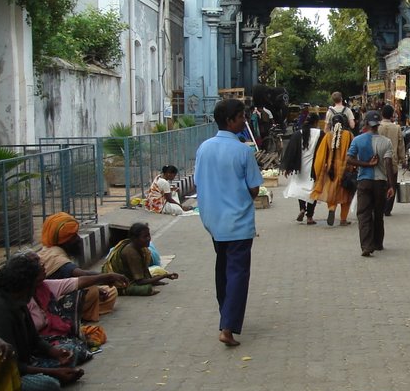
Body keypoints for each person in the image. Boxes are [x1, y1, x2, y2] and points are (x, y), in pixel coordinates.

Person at [195, 98, 264, 347]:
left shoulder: (204, 148)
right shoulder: (243, 150)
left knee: (223, 269)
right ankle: (228, 326)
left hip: (213, 221)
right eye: (241, 116)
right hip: (238, 222)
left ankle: (226, 314)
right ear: (230, 119)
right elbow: (254, 188)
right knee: (237, 272)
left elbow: (199, 182)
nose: (245, 120)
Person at [0, 254, 87, 391]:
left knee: (71, 351)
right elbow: (13, 365)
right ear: (25, 286)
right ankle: (53, 377)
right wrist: (54, 372)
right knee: (50, 386)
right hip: (8, 375)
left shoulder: (17, 299)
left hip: (28, 361)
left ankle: (56, 374)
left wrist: (55, 353)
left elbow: (34, 340)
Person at [38, 212, 119, 322]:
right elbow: (82, 275)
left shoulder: (50, 250)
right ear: (64, 242)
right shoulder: (56, 257)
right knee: (91, 290)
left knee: (110, 291)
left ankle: (82, 312)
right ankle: (71, 317)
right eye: (73, 237)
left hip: (64, 290)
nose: (78, 239)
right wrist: (108, 277)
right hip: (50, 302)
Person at [346, 110, 396, 256]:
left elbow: (349, 159)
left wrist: (365, 164)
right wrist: (391, 186)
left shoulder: (357, 140)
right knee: (378, 213)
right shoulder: (386, 142)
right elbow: (388, 165)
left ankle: (367, 246)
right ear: (378, 125)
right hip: (380, 183)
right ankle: (378, 243)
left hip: (364, 182)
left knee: (364, 214)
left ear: (366, 123)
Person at [102, 223, 178, 296]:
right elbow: (140, 281)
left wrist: (155, 280)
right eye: (145, 237)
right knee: (146, 288)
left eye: (149, 235)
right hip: (118, 282)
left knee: (152, 278)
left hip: (129, 277)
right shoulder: (131, 252)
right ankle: (123, 291)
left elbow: (144, 270)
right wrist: (164, 276)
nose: (148, 239)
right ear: (135, 239)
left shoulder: (141, 249)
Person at [311, 109, 355, 227]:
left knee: (332, 192)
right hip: (346, 169)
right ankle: (343, 219)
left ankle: (331, 208)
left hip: (331, 170)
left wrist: (318, 170)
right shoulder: (349, 135)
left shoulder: (328, 136)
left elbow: (320, 155)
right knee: (346, 194)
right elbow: (354, 152)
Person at [281, 111, 323, 224]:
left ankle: (302, 209)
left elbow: (290, 152)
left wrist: (288, 167)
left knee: (301, 189)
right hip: (314, 168)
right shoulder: (320, 133)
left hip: (300, 167)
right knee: (312, 191)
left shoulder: (298, 133)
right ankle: (310, 217)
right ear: (316, 122)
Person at [378, 103, 405, 216]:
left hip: (378, 160)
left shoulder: (378, 126)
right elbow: (400, 145)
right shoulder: (397, 128)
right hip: (392, 161)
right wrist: (402, 159)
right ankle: (388, 209)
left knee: (380, 183)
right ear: (391, 115)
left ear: (382, 114)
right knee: (391, 183)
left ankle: (379, 206)